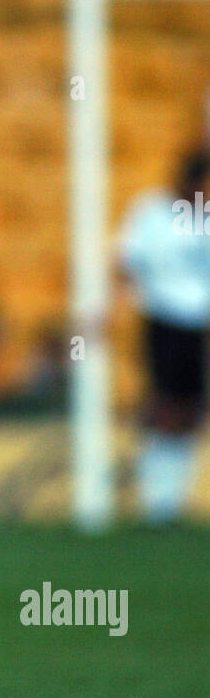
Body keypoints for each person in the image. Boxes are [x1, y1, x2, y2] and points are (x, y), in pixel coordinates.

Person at [118, 148, 210, 523]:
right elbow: (125, 261)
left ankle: (173, 499)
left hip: (200, 324)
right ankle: (157, 501)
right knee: (164, 407)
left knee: (192, 411)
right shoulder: (151, 211)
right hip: (163, 319)